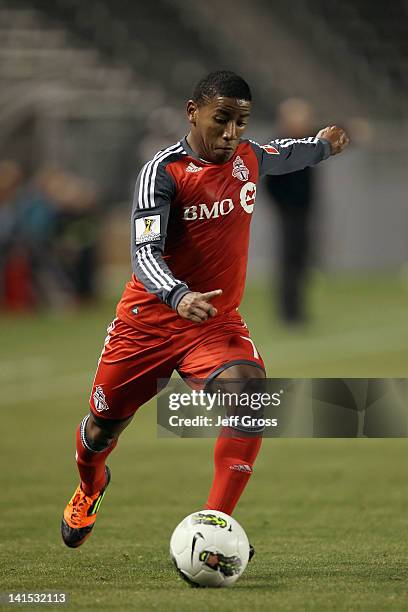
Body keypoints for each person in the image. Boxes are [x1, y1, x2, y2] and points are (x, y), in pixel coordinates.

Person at [61, 71, 349, 550]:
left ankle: (214, 530)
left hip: (213, 327)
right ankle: (91, 486)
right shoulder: (163, 172)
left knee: (251, 397)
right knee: (100, 429)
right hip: (147, 325)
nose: (232, 133)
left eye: (241, 121)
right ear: (192, 111)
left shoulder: (249, 157)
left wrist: (324, 145)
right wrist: (178, 295)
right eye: (222, 120)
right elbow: (144, 253)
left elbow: (289, 153)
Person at [263, 98, 320, 324]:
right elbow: (270, 184)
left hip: (304, 210)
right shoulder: (279, 147)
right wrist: (283, 206)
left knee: (302, 260)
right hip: (289, 212)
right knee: (289, 261)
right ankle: (288, 312)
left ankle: (298, 309)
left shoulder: (306, 145)